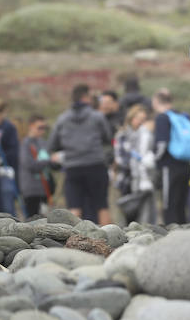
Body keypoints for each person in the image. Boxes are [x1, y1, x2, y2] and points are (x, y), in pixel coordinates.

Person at [48, 84, 114, 225]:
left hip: (73, 167)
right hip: (95, 164)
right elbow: (108, 137)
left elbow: (52, 144)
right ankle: (109, 236)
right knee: (101, 205)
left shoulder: (62, 119)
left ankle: (73, 237)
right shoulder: (97, 116)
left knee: (74, 206)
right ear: (86, 97)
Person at [150, 89, 190, 226]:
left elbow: (162, 144)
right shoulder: (183, 116)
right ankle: (184, 230)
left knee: (169, 203)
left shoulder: (162, 118)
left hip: (169, 166)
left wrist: (153, 158)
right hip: (186, 164)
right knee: (181, 203)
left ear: (156, 101)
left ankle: (171, 232)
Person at [116, 104, 158, 225]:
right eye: (138, 119)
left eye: (143, 120)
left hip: (145, 179)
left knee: (146, 212)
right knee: (128, 213)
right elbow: (119, 158)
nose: (140, 122)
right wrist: (135, 163)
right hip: (127, 179)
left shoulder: (148, 135)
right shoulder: (122, 135)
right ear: (131, 118)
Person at [19, 115, 53, 218]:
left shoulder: (44, 143)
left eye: (44, 128)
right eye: (40, 128)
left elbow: (50, 163)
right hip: (31, 190)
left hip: (45, 189)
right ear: (31, 126)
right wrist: (49, 160)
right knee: (32, 220)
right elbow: (29, 164)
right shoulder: (25, 143)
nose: (42, 131)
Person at [0, 105, 20, 218]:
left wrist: (0, 159)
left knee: (7, 206)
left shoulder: (8, 127)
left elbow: (13, 151)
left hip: (5, 171)